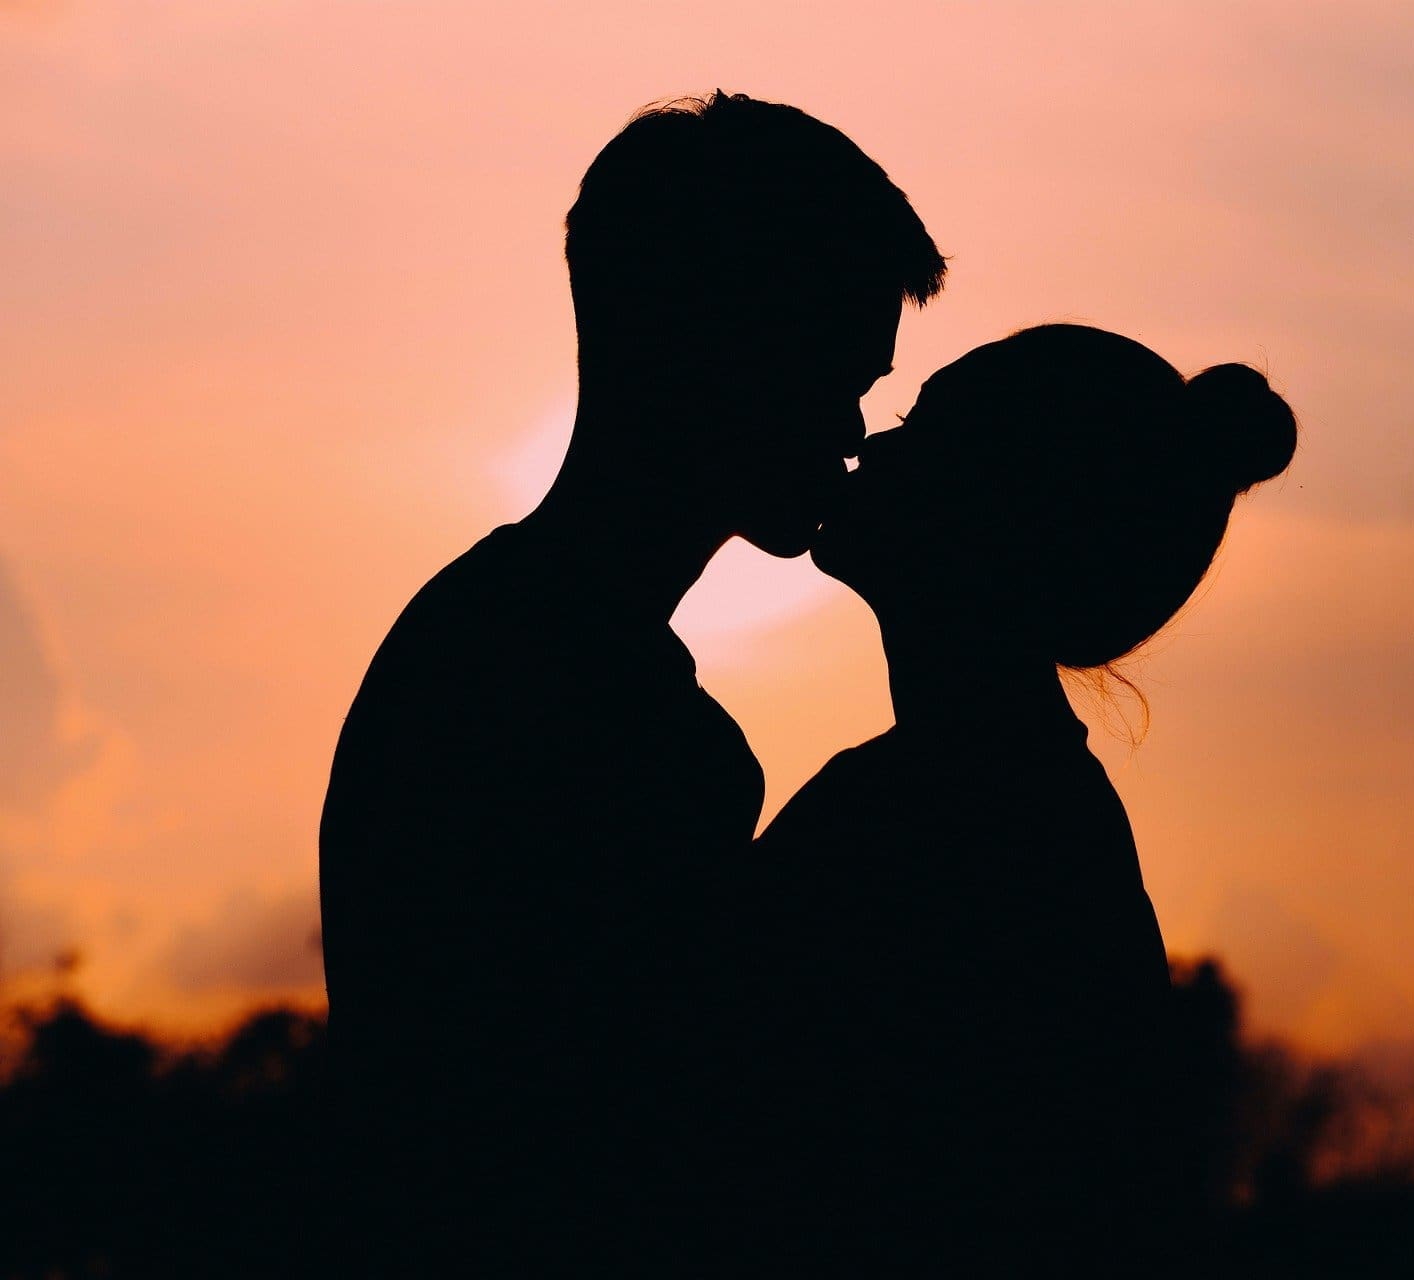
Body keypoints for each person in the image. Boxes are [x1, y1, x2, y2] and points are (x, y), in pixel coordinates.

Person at [317, 91, 944, 1274]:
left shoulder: (483, 645)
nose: (855, 431)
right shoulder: (592, 708)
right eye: (835, 373)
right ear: (718, 345)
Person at [752, 323, 1297, 1274]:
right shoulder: (1011, 807)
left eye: (920, 432)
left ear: (996, 515)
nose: (867, 447)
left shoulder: (942, 830)